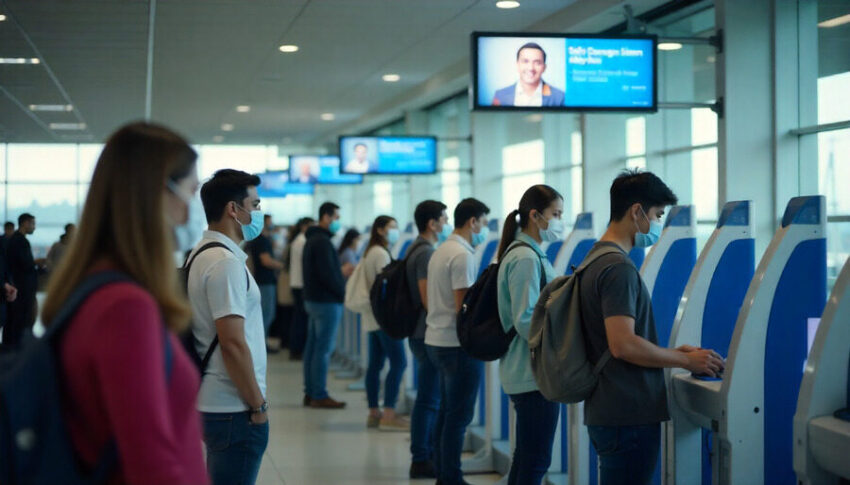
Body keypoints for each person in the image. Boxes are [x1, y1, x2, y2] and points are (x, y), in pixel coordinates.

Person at [40, 122, 208, 483]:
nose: (192, 209)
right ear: (156, 193)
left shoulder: (93, 287)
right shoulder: (125, 309)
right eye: (191, 192)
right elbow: (151, 463)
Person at [580, 170, 725, 485]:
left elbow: (613, 341)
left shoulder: (595, 258)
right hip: (627, 414)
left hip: (608, 409)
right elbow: (623, 345)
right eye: (657, 214)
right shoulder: (618, 268)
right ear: (636, 211)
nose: (657, 224)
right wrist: (685, 361)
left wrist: (673, 351)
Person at [187, 169, 269, 485]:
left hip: (217, 400)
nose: (259, 213)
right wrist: (257, 404)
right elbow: (232, 342)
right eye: (255, 204)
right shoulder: (225, 263)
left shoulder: (203, 254)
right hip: (233, 406)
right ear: (233, 210)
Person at [496, 185, 564, 485]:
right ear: (535, 216)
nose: (560, 221)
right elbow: (526, 321)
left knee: (527, 458)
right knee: (535, 461)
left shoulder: (525, 253)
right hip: (532, 374)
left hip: (526, 372)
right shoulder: (524, 258)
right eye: (556, 214)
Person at [426, 197, 491, 485]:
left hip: (436, 340)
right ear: (472, 221)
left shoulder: (442, 249)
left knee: (446, 412)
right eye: (484, 223)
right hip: (456, 346)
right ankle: (451, 477)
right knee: (458, 417)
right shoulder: (463, 255)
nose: (485, 230)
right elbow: (463, 309)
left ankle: (443, 473)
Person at [407, 199, 451, 479]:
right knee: (429, 400)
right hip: (425, 334)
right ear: (432, 224)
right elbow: (427, 299)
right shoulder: (425, 253)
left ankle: (426, 454)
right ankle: (421, 457)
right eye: (444, 219)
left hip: (418, 332)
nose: (446, 224)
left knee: (429, 398)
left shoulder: (416, 248)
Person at [359, 215, 409, 431]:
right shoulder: (380, 254)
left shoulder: (371, 251)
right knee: (399, 363)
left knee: (376, 365)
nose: (395, 231)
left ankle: (374, 412)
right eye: (392, 227)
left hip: (373, 318)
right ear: (380, 230)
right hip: (384, 319)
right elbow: (385, 288)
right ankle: (388, 412)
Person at [302, 202, 348, 409]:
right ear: (326, 217)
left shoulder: (313, 239)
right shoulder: (322, 242)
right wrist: (342, 293)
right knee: (323, 350)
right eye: (336, 218)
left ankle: (311, 392)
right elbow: (328, 274)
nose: (338, 222)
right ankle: (319, 394)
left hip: (313, 300)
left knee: (313, 348)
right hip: (326, 302)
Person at [4, 213, 42, 348]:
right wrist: (37, 263)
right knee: (21, 320)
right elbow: (25, 264)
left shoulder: (15, 240)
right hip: (22, 288)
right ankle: (19, 349)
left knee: (16, 320)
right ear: (25, 223)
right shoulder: (20, 241)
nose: (34, 227)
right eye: (32, 224)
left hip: (19, 286)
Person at [248, 214, 285, 350]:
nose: (271, 224)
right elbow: (266, 260)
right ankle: (261, 344)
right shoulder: (262, 240)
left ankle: (262, 342)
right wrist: (282, 265)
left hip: (263, 281)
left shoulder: (261, 240)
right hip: (265, 282)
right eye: (269, 222)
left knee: (267, 313)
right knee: (266, 314)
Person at [492, 42, 565, 107]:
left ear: (544, 67)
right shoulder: (500, 96)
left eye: (537, 63)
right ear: (517, 65)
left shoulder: (559, 97)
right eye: (525, 61)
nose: (531, 68)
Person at [289, 216, 314, 360]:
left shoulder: (299, 240)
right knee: (300, 319)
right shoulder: (302, 241)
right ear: (304, 226)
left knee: (299, 318)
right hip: (300, 284)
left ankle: (296, 348)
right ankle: (297, 349)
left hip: (297, 283)